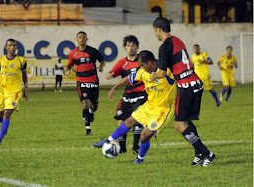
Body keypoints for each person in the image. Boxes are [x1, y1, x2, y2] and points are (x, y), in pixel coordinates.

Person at [150, 17, 216, 167]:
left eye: (155, 31)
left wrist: (151, 76)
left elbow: (161, 73)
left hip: (186, 87)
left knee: (179, 125)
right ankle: (199, 153)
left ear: (159, 30)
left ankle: (207, 153)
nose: (155, 33)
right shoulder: (177, 40)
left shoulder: (164, 47)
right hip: (196, 83)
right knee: (186, 121)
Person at [93, 50, 175, 164]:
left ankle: (139, 159)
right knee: (129, 122)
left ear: (150, 62)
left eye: (142, 65)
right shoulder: (143, 72)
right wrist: (115, 87)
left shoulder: (167, 71)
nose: (141, 67)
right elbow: (129, 79)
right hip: (149, 105)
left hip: (163, 109)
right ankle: (107, 141)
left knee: (144, 135)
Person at [105, 35, 147, 154]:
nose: (131, 48)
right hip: (128, 96)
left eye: (133, 45)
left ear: (137, 47)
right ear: (125, 48)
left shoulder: (141, 61)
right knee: (121, 121)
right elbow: (113, 72)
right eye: (128, 46)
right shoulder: (122, 63)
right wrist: (109, 74)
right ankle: (122, 149)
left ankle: (135, 146)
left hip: (142, 94)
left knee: (137, 118)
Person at [67, 31, 105, 135]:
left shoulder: (92, 51)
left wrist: (101, 66)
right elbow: (70, 63)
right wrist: (68, 67)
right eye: (79, 37)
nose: (81, 39)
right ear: (77, 39)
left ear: (86, 39)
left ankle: (91, 112)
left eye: (83, 37)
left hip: (93, 81)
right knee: (84, 103)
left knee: (94, 106)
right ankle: (88, 129)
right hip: (81, 81)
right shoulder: (73, 53)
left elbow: (102, 60)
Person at [0, 38, 28, 145]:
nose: (12, 47)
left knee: (7, 112)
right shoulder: (0, 60)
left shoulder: (21, 60)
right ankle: (5, 127)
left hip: (15, 91)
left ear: (16, 47)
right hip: (2, 90)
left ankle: (0, 138)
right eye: (10, 45)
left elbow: (24, 75)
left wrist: (26, 88)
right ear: (6, 47)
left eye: (14, 45)